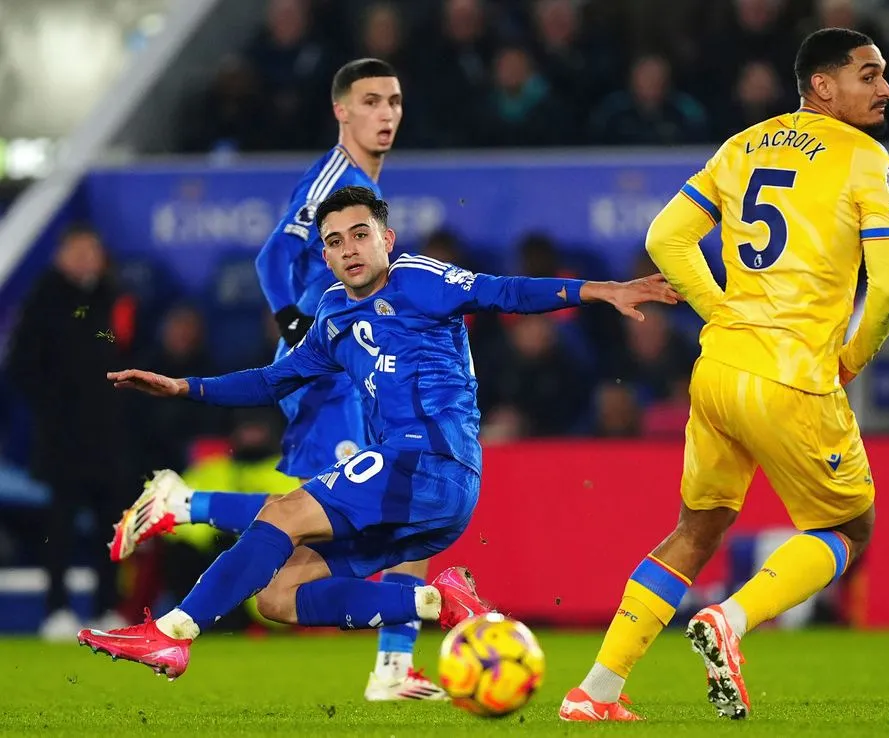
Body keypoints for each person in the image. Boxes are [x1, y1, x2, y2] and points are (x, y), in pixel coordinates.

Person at [79, 185, 680, 681]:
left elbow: (506, 293)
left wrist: (601, 290)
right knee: (279, 597)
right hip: (416, 487)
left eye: (360, 234)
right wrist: (186, 387)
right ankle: (436, 601)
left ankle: (172, 631)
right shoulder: (334, 317)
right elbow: (273, 380)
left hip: (433, 462)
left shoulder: (418, 280)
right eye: (334, 242)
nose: (349, 249)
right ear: (326, 256)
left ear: (386, 239)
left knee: (286, 513)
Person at [560, 27, 889, 722]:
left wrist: (719, 307)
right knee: (848, 529)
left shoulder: (742, 145)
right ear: (821, 86)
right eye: (868, 75)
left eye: (884, 75)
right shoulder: (864, 157)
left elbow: (665, 238)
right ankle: (733, 620)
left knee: (696, 527)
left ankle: (594, 691)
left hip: (719, 367)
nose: (886, 89)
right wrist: (849, 359)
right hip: (793, 373)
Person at [109, 58, 444, 700]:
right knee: (335, 513)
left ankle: (395, 669)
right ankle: (183, 505)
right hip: (330, 376)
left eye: (395, 102)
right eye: (371, 102)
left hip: (356, 367)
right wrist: (296, 330)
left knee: (403, 517)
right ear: (341, 110)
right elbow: (271, 257)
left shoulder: (364, 182)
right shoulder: (334, 178)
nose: (386, 115)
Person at [6, 225, 137, 640]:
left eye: (92, 251)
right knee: (60, 525)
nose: (85, 258)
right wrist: (56, 408)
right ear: (61, 256)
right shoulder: (44, 299)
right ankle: (56, 610)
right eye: (77, 251)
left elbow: (119, 348)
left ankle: (106, 606)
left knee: (111, 525)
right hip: (63, 436)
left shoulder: (108, 297)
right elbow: (21, 366)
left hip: (108, 434)